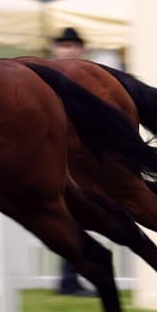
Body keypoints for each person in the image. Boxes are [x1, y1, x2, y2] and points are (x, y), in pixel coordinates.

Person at [50, 26, 96, 297]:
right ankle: (70, 278)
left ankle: (70, 278)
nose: (68, 49)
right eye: (64, 45)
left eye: (72, 45)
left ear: (81, 49)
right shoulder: (46, 77)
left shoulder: (87, 77)